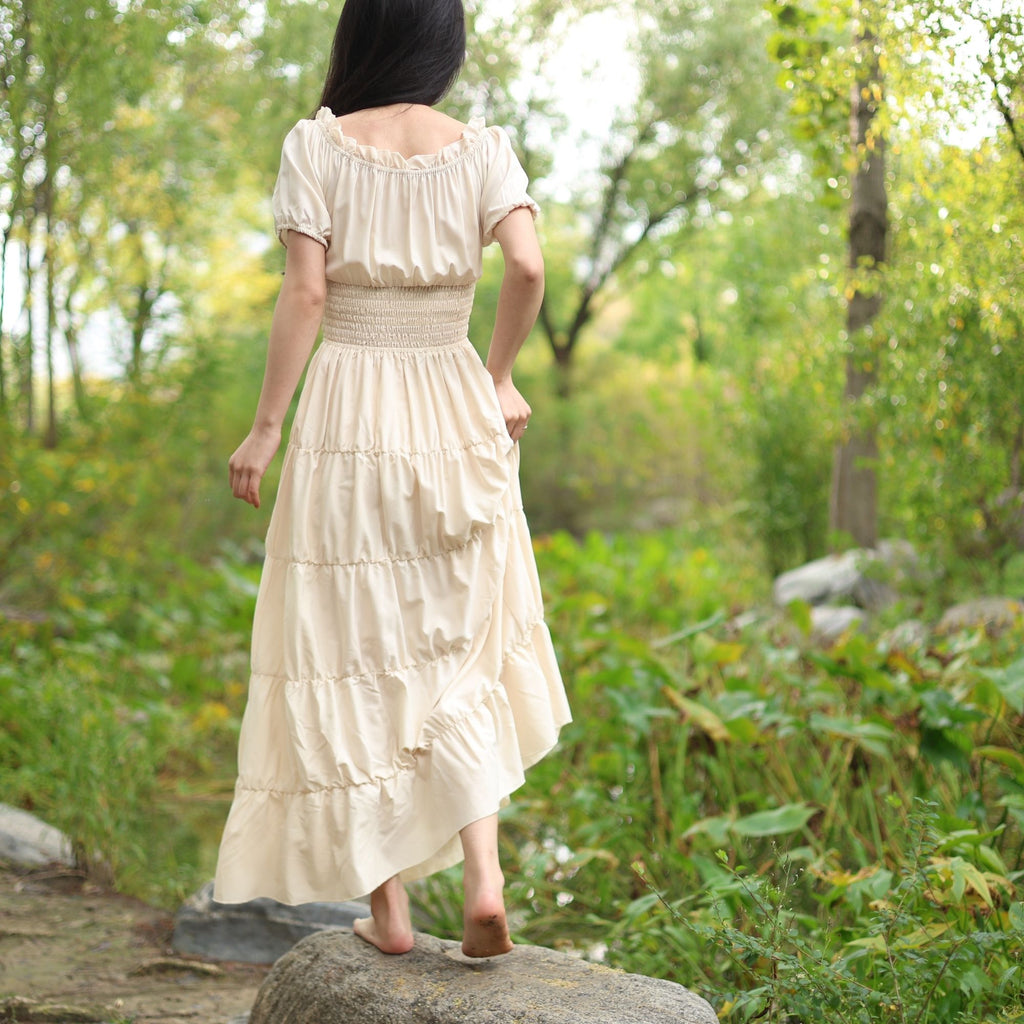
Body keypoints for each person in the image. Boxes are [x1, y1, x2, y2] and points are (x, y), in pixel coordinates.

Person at [213, 0, 571, 959]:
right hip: (452, 396)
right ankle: (486, 882)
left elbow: (308, 292)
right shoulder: (481, 148)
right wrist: (495, 375)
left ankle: (391, 913)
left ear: (359, 39)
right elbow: (529, 268)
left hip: (348, 409)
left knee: (351, 641)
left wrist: (264, 429)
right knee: (460, 641)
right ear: (441, 45)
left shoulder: (318, 147)